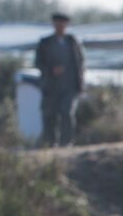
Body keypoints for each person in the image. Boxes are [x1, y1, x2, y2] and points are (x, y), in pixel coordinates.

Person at [34, 12, 86, 147]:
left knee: (67, 113)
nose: (60, 26)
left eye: (62, 23)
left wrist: (80, 83)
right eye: (57, 23)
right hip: (51, 86)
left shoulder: (73, 43)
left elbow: (80, 63)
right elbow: (38, 63)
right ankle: (50, 143)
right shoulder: (45, 43)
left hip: (69, 86)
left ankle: (66, 142)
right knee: (49, 115)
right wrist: (51, 70)